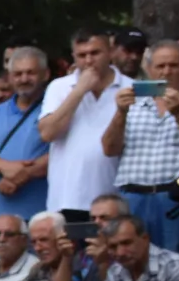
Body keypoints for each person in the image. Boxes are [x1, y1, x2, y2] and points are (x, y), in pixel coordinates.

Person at [40, 27, 134, 217]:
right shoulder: (59, 87)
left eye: (95, 53)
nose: (89, 60)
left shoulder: (130, 87)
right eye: (82, 55)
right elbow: (47, 134)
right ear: (73, 56)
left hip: (114, 198)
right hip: (66, 198)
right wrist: (79, 90)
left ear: (110, 52)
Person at [101, 39, 179, 250]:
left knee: (176, 262)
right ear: (148, 69)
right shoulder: (131, 102)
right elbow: (109, 149)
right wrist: (120, 113)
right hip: (132, 197)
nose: (166, 72)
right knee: (129, 258)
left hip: (175, 200)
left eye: (173, 65)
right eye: (160, 66)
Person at [0, 47, 53, 255]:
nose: (24, 79)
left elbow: (62, 155)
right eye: (18, 74)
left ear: (46, 74)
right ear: (9, 77)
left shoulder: (55, 110)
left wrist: (24, 174)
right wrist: (7, 169)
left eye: (30, 72)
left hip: (38, 215)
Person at [102, 214, 179, 281]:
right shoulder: (114, 271)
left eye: (126, 243)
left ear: (145, 239)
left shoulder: (173, 265)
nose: (120, 253)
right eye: (113, 247)